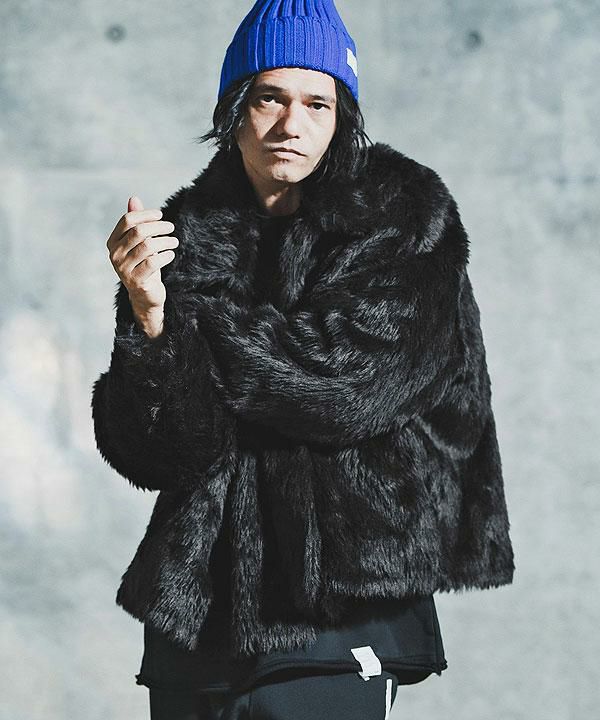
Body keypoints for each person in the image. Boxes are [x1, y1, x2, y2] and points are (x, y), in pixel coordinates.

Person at [91, 0, 515, 718]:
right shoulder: (185, 236)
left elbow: (343, 385)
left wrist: (193, 324)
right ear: (234, 109)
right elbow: (159, 455)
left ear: (341, 116)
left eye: (318, 103)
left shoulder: (402, 215)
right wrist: (153, 320)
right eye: (270, 98)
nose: (293, 124)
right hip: (202, 622)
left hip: (339, 606)